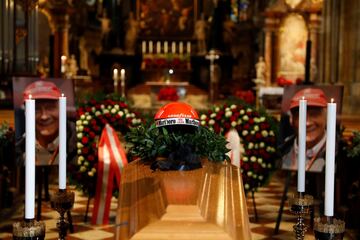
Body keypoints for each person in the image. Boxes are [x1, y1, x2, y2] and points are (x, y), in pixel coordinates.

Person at [281, 88, 330, 173]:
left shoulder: (344, 157)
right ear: (291, 120)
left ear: (327, 117)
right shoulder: (280, 153)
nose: (307, 123)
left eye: (314, 114)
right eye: (300, 115)